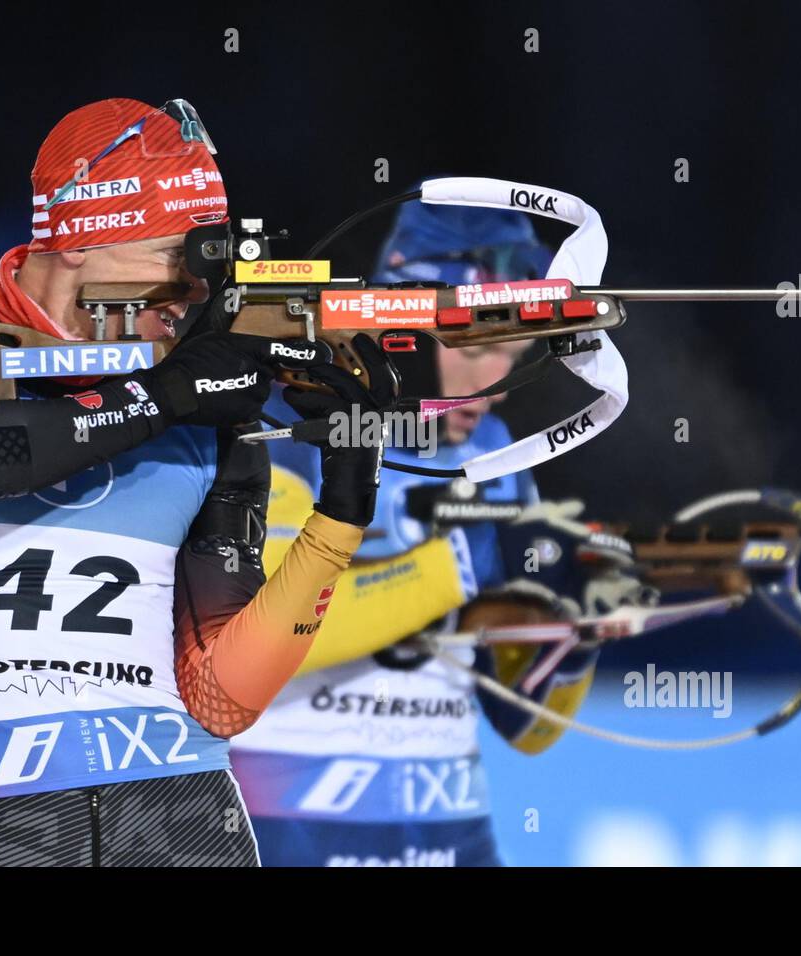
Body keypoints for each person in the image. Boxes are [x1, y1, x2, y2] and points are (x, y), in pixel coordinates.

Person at [0, 97, 385, 866]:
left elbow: (221, 700)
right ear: (84, 236)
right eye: (177, 256)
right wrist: (165, 396)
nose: (193, 292)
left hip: (189, 815)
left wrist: (343, 508)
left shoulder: (199, 402)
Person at [229, 197, 604, 866]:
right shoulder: (290, 428)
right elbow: (261, 639)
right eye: (482, 352)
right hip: (291, 831)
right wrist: (461, 562)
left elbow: (526, 727)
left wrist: (577, 629)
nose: (497, 388)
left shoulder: (496, 449)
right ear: (402, 324)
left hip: (448, 834)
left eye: (516, 356)